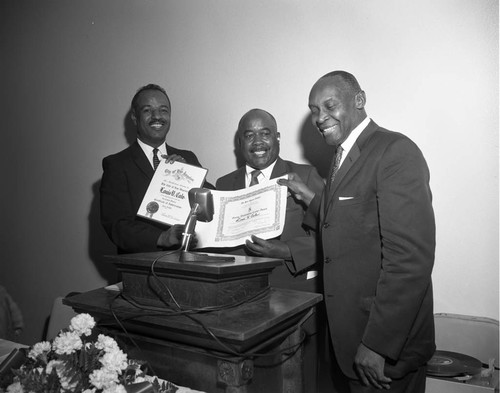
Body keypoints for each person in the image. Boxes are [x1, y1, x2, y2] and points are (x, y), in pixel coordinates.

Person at [279, 71, 435, 393]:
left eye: (329, 106)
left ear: (359, 100)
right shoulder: (341, 155)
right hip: (346, 342)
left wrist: (378, 344)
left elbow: (410, 260)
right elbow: (351, 223)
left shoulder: (395, 151)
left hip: (381, 351)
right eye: (313, 111)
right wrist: (310, 200)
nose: (320, 118)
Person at [216, 108, 325, 393]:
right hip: (239, 308)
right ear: (239, 143)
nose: (258, 141)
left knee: (297, 383)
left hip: (294, 306)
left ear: (277, 138)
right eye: (249, 135)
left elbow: (334, 238)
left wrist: (286, 251)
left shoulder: (304, 174)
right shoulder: (223, 185)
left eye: (265, 133)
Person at [100, 84, 212, 254]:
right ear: (134, 117)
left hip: (188, 268)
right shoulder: (117, 164)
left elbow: (212, 205)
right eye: (147, 110)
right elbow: (116, 226)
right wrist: (161, 237)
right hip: (142, 272)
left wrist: (192, 176)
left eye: (163, 110)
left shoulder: (188, 158)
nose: (157, 116)